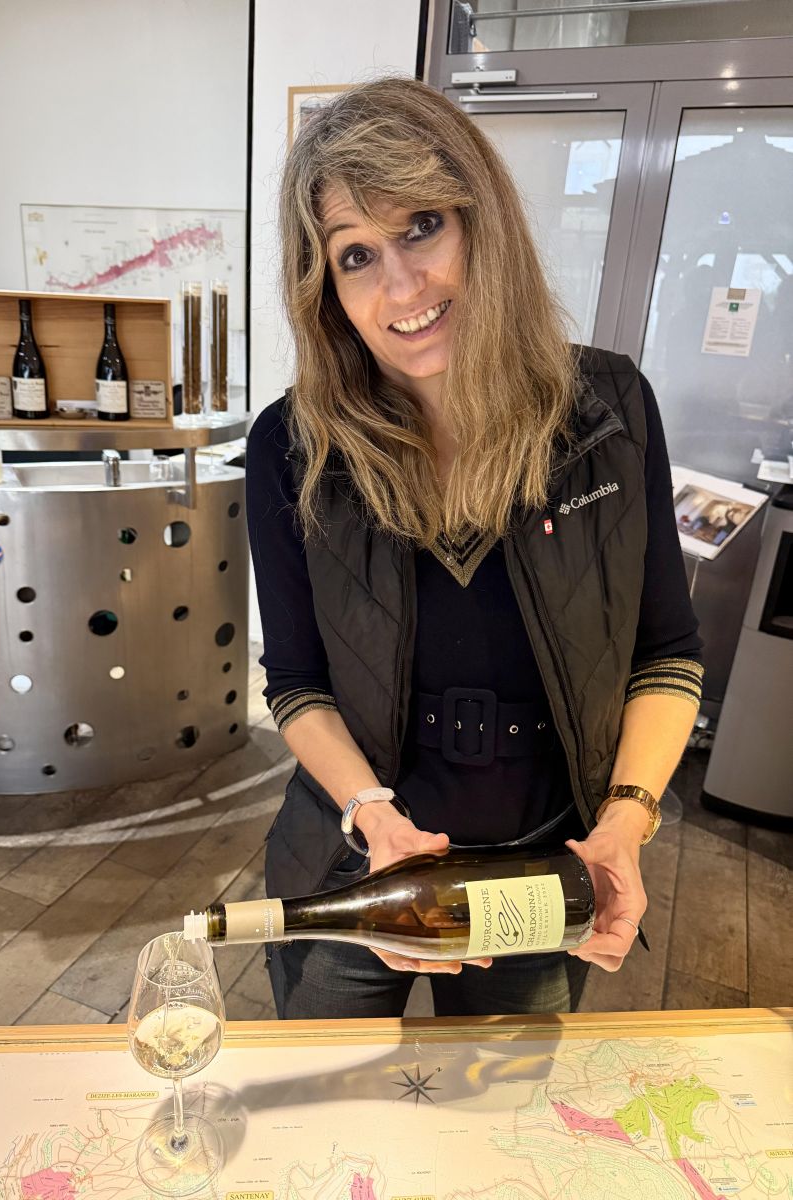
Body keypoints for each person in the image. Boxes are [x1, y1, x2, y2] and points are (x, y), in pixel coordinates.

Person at [245, 76, 703, 1020]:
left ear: (480, 221)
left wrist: (624, 823)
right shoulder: (293, 446)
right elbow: (293, 681)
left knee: (501, 1136)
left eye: (422, 227)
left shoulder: (608, 413)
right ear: (324, 290)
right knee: (331, 1130)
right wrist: (373, 817)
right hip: (355, 864)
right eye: (355, 255)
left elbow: (665, 654)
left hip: (540, 874)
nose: (400, 287)